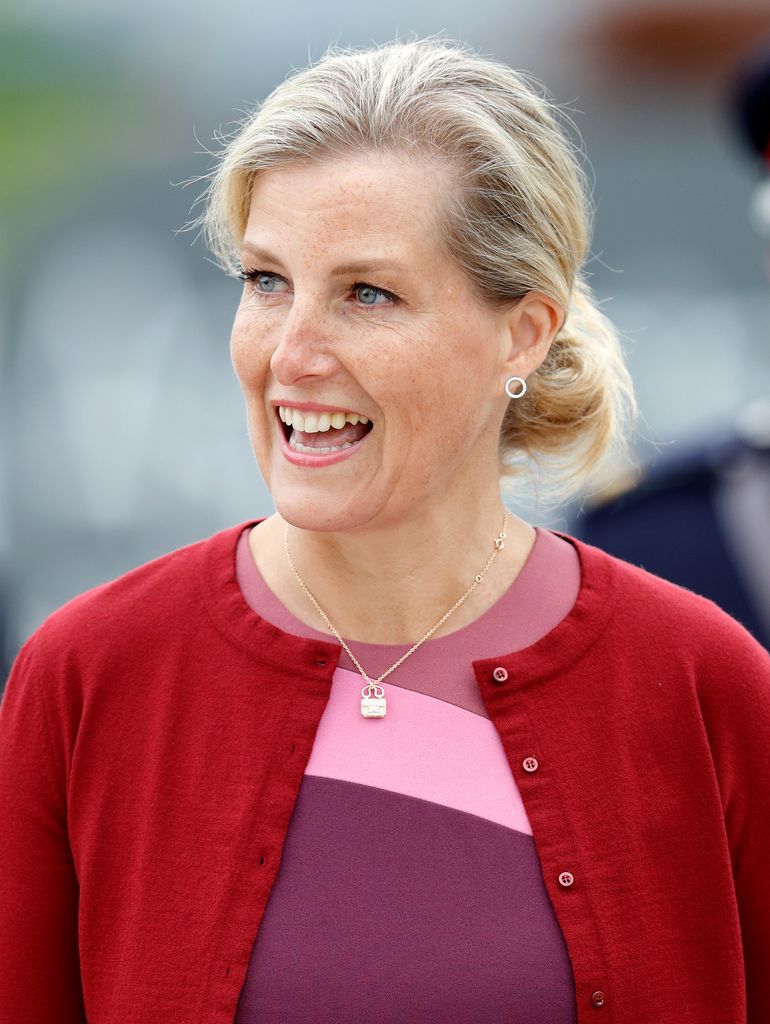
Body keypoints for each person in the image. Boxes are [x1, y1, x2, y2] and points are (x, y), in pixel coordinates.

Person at [1, 37, 768, 1024]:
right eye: (266, 280)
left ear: (521, 333)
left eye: (367, 293)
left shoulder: (705, 687)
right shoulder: (87, 676)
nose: (293, 352)